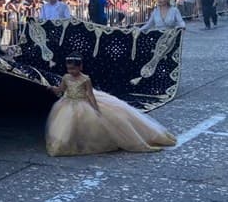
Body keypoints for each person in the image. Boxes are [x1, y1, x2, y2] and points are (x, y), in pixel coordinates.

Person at [45, 53, 177, 156]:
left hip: (84, 101)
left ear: (80, 67)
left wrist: (95, 108)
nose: (71, 71)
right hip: (68, 103)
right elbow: (61, 89)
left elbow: (90, 94)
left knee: (93, 121)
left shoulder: (85, 79)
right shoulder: (66, 77)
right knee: (65, 126)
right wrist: (52, 88)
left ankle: (90, 143)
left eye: (73, 68)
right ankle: (71, 144)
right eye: (69, 68)